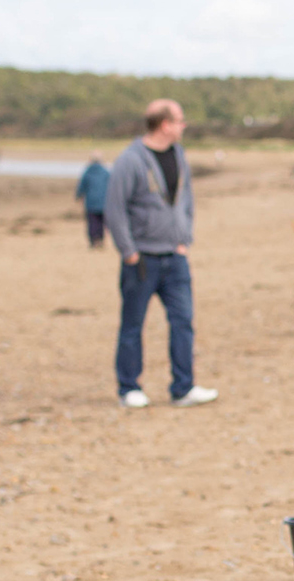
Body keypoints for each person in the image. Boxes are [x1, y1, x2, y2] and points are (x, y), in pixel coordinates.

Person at [104, 99, 217, 409]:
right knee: (133, 325)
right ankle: (129, 388)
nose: (184, 125)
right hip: (141, 260)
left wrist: (185, 238)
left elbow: (186, 200)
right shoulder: (130, 160)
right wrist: (129, 253)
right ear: (164, 124)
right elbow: (114, 209)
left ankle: (183, 388)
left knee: (183, 321)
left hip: (175, 257)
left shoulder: (179, 155)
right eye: (180, 120)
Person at [75, 151, 109, 249]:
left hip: (91, 202)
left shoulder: (87, 172)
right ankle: (100, 239)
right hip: (103, 202)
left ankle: (94, 240)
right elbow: (111, 186)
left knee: (92, 222)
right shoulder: (106, 172)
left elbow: (82, 186)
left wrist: (78, 196)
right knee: (101, 222)